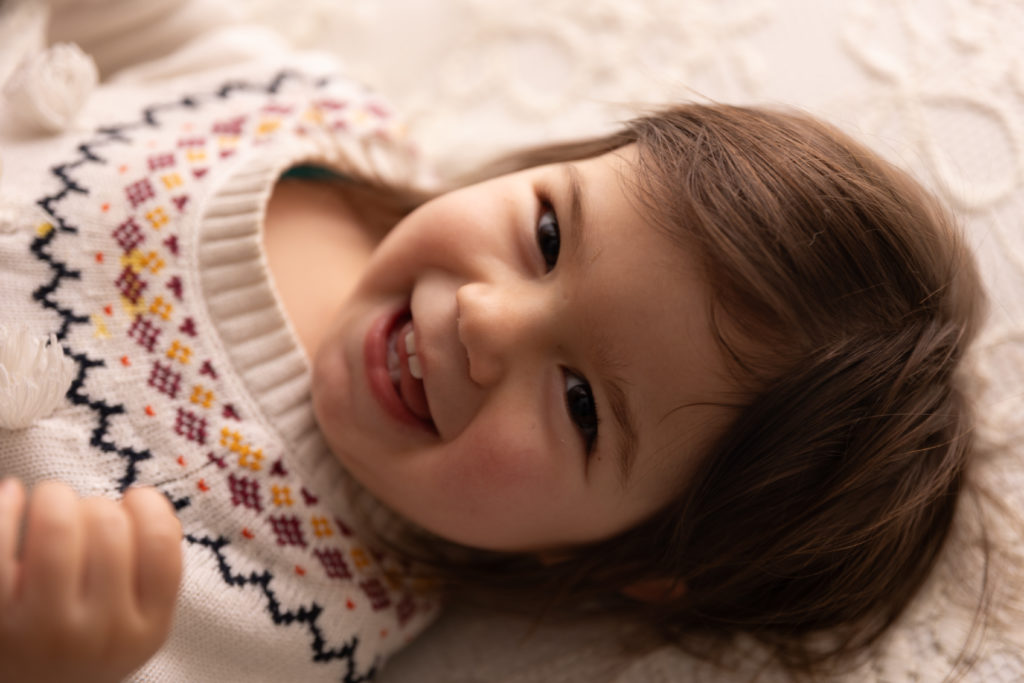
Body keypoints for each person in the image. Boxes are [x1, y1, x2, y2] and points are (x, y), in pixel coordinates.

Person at [0, 8, 984, 683]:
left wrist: (52, 661)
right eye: (548, 235)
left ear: (619, 560)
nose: (485, 319)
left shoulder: (295, 610)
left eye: (581, 403)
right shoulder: (310, 123)